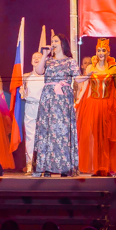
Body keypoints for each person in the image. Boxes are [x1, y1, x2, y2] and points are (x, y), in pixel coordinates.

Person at [77, 38, 116, 177]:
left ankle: (106, 167)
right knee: (95, 137)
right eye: (99, 50)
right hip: (93, 105)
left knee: (107, 138)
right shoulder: (90, 68)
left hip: (107, 106)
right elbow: (83, 85)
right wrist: (78, 102)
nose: (101, 53)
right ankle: (97, 168)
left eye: (103, 50)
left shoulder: (113, 69)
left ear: (108, 52)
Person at [34, 32, 80, 177]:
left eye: (56, 41)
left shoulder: (70, 61)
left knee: (62, 132)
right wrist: (44, 55)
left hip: (63, 100)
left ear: (62, 43)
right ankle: (46, 167)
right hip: (48, 99)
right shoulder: (48, 60)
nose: (53, 43)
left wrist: (91, 75)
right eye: (52, 41)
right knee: (47, 131)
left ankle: (64, 167)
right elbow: (39, 71)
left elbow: (78, 79)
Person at [19, 51, 46, 172]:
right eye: (34, 57)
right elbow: (23, 93)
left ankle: (42, 164)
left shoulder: (46, 77)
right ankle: (29, 163)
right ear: (31, 61)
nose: (36, 59)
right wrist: (22, 92)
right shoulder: (26, 76)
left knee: (43, 136)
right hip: (30, 107)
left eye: (39, 57)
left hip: (42, 108)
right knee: (30, 136)